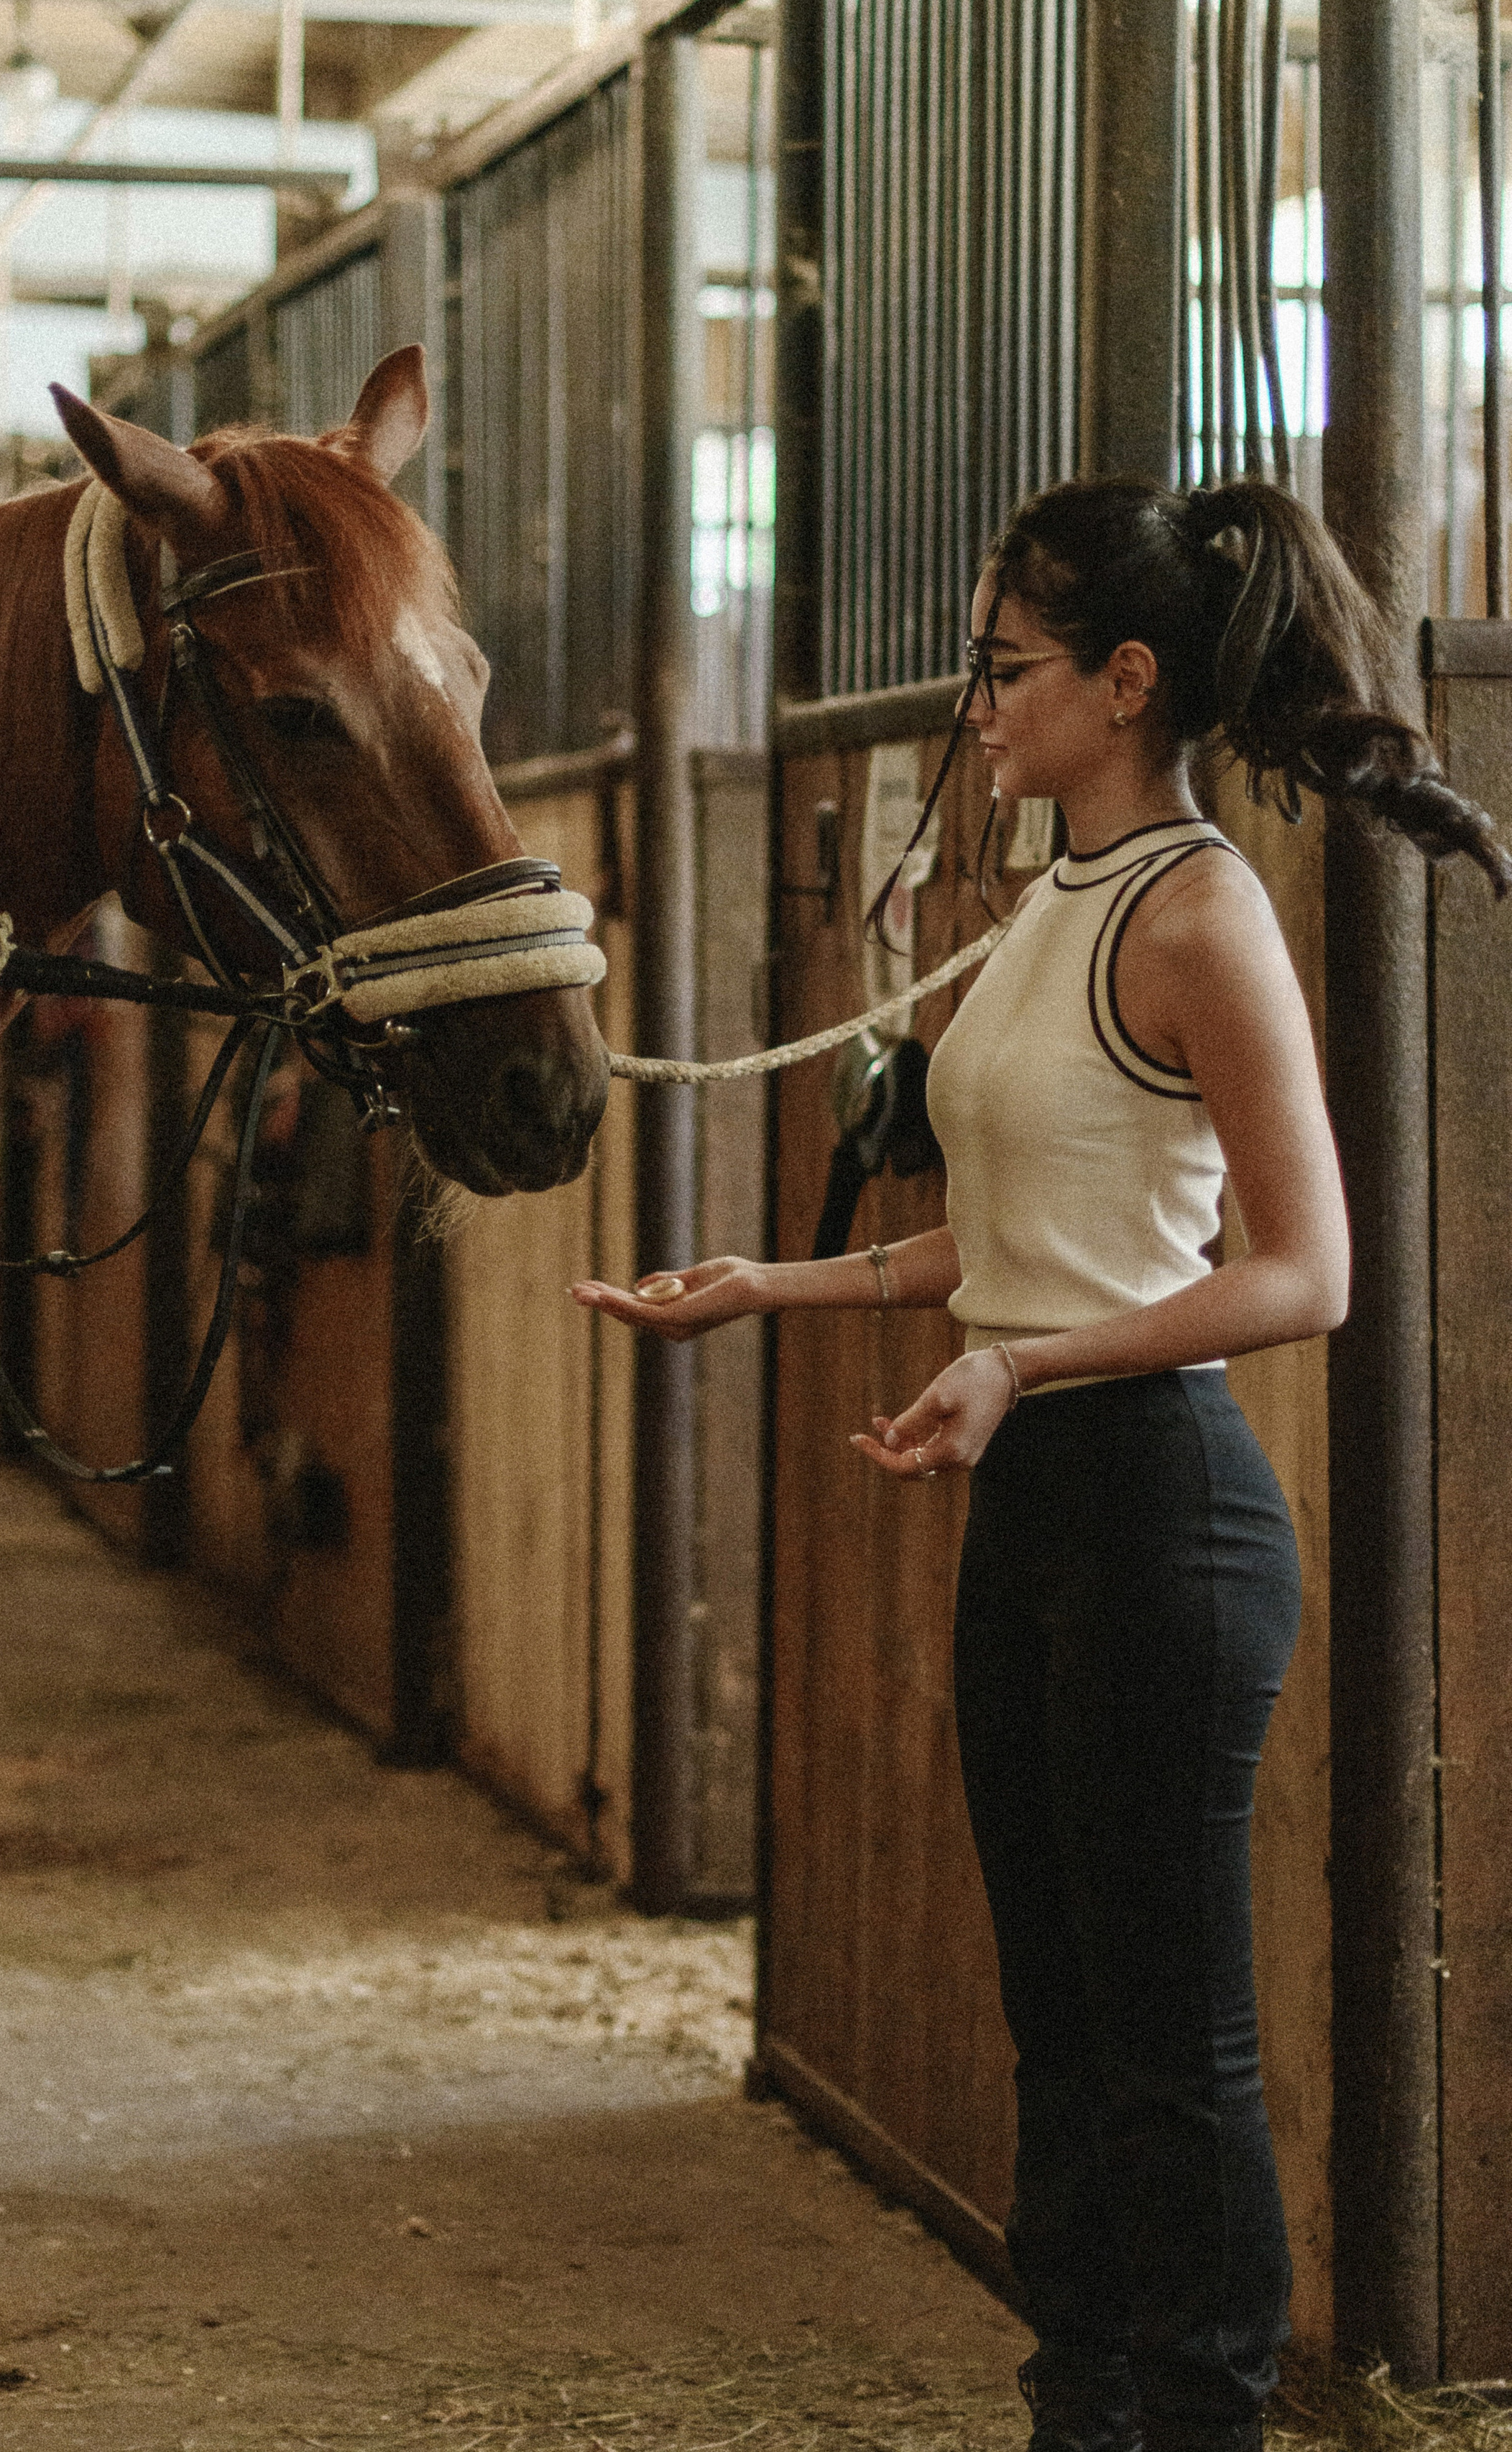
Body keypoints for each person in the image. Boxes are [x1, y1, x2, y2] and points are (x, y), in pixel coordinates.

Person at [571, 478, 1511, 2452]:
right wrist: (767, 1284)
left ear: (1126, 682)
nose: (977, 705)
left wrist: (1028, 1365)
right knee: (1066, 2027)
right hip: (1044, 1499)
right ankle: (1081, 2408)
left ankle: (1200, 2417)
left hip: (1166, 1505)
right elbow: (999, 1238)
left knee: (1176, 2048)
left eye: (1009, 671)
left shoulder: (1199, 913)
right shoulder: (1042, 908)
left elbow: (1303, 1267)